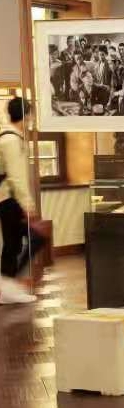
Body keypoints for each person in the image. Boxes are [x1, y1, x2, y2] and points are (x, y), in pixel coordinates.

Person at [0, 97, 46, 305]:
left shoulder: (8, 137)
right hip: (9, 199)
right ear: (26, 115)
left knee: (14, 244)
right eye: (30, 114)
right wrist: (28, 206)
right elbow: (16, 177)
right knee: (30, 240)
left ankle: (8, 288)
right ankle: (8, 287)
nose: (31, 119)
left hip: (8, 199)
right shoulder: (12, 140)